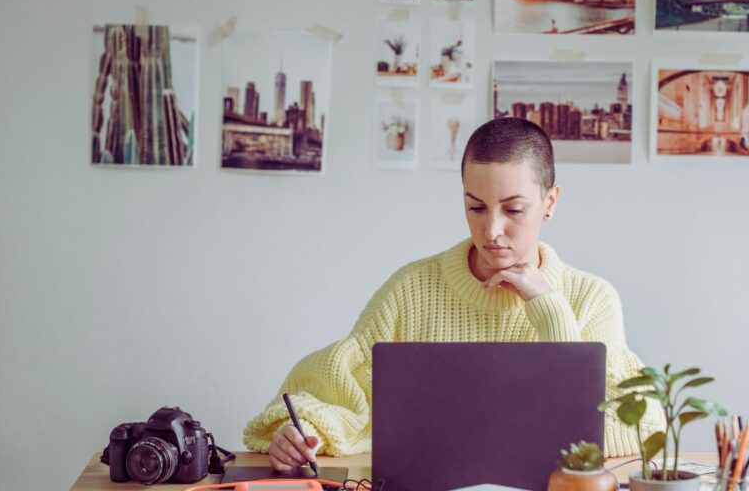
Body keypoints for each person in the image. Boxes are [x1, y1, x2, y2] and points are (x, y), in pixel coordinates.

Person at [244, 118, 664, 471]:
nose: (492, 230)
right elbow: (342, 391)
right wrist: (300, 433)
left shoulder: (591, 298)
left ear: (550, 201)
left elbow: (639, 429)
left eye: (513, 209)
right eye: (476, 207)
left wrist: (549, 307)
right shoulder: (411, 289)